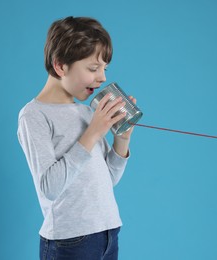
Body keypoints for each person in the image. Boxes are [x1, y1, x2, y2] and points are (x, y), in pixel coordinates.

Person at [17, 16, 137, 260]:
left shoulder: (86, 112)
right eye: (93, 68)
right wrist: (92, 133)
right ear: (60, 66)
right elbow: (49, 188)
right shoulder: (34, 115)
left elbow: (107, 180)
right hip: (71, 241)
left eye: (104, 68)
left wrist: (121, 141)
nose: (102, 77)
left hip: (108, 233)